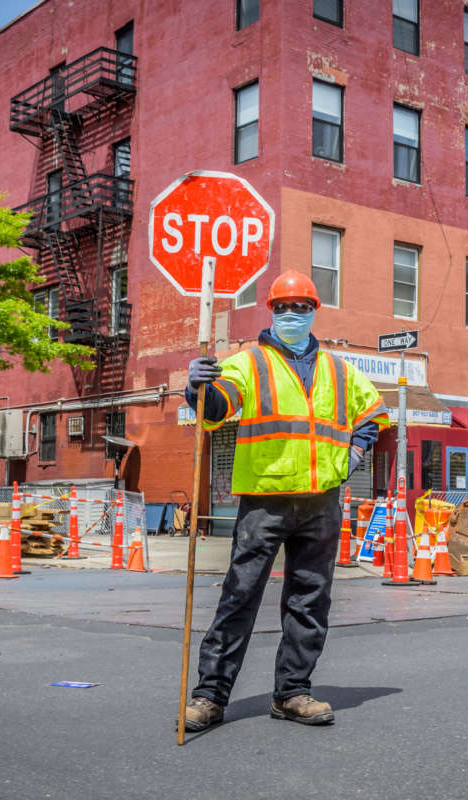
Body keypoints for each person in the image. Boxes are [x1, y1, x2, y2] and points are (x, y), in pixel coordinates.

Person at [182, 269, 389, 731]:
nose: (292, 314)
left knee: (310, 600)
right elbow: (216, 407)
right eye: (283, 307)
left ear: (315, 311)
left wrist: (353, 455)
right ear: (271, 311)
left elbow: (373, 412)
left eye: (301, 307)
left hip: (321, 501)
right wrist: (197, 386)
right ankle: (209, 696)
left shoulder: (339, 368)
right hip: (265, 500)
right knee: (239, 597)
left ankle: (293, 692)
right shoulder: (248, 362)